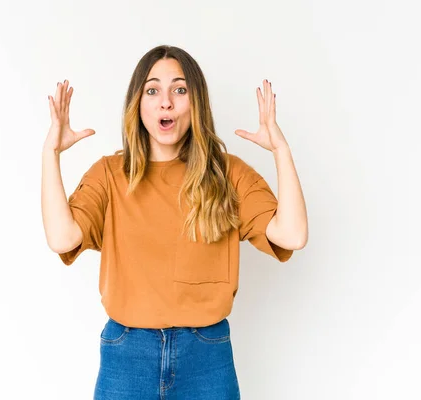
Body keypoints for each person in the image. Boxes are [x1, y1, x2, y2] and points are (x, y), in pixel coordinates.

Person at [41, 45, 308, 400]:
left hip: (206, 355)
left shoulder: (226, 173)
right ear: (138, 104)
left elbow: (292, 235)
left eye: (179, 90)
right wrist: (50, 154)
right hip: (127, 354)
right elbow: (62, 238)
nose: (166, 102)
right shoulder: (108, 175)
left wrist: (281, 151)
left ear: (196, 102)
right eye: (153, 90)